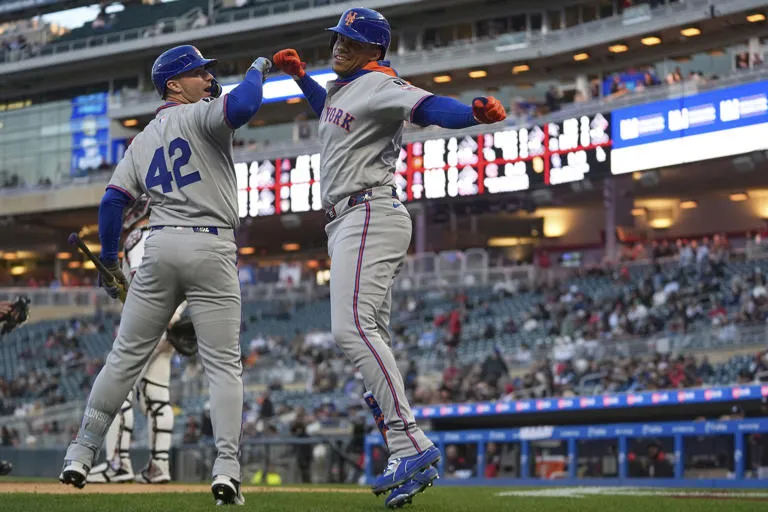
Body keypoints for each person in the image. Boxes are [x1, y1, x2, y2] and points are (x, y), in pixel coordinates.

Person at [272, 8, 505, 508]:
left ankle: (412, 442)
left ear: (375, 50)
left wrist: (471, 116)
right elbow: (332, 115)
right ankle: (404, 449)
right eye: (338, 38)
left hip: (368, 212)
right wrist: (301, 80)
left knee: (351, 330)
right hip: (350, 220)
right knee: (366, 335)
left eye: (351, 41)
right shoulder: (346, 88)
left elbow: (427, 107)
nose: (339, 47)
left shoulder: (380, 84)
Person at [58, 45, 271, 506]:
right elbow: (247, 104)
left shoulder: (141, 139)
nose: (208, 81)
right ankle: (228, 469)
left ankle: (80, 452)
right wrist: (257, 67)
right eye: (199, 74)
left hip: (160, 244)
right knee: (222, 365)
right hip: (211, 244)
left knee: (123, 358)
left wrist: (112, 260)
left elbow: (112, 202)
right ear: (174, 84)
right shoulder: (200, 115)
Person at [86, 195, 187, 484]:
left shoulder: (139, 236)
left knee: (119, 389)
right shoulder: (169, 231)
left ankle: (118, 463)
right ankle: (159, 466)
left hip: (152, 320)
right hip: (174, 321)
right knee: (157, 398)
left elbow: (146, 281)